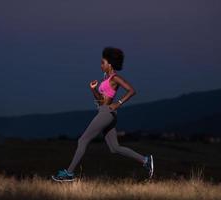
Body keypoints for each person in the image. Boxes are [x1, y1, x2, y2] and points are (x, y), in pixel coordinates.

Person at [52, 47, 153, 182]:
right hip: (106, 112)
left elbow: (131, 90)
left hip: (107, 113)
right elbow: (101, 100)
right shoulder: (106, 79)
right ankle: (145, 160)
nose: (101, 65)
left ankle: (69, 173)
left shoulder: (115, 77)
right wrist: (93, 90)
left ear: (109, 64)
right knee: (114, 148)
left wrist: (118, 103)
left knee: (82, 140)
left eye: (102, 63)